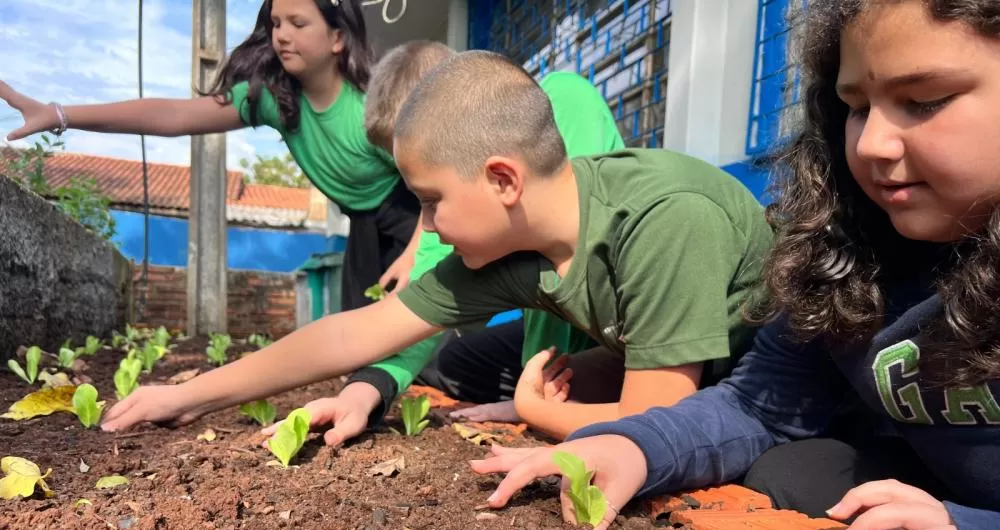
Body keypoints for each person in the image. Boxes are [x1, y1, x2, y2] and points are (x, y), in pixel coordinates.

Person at [472, 0, 1000, 530]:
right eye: (856, 107)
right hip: (938, 484)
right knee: (794, 474)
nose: (873, 143)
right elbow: (758, 405)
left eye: (925, 101)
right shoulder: (851, 258)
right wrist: (632, 446)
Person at [100, 51, 770, 455]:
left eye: (430, 200)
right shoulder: (516, 245)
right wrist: (191, 395)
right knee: (494, 366)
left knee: (779, 473)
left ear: (503, 180)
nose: (426, 227)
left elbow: (656, 420)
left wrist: (539, 413)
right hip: (672, 362)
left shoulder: (661, 220)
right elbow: (357, 332)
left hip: (767, 384)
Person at [269, 39, 621, 446]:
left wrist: (536, 405)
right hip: (554, 333)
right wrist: (367, 386)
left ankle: (553, 391)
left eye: (430, 196)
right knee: (455, 362)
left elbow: (566, 271)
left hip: (612, 336)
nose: (428, 224)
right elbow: (416, 308)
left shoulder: (566, 106)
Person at [0, 0, 418, 311]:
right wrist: (59, 113)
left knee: (428, 320)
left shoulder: (370, 106)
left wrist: (417, 250)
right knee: (361, 335)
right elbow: (175, 114)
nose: (281, 35)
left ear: (337, 38)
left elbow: (436, 184)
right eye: (275, 23)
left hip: (418, 211)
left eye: (297, 22)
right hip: (363, 222)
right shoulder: (273, 100)